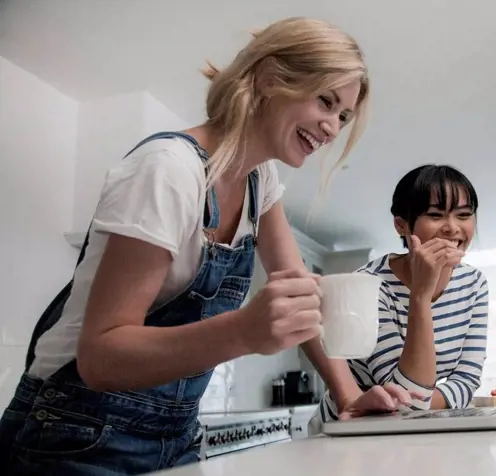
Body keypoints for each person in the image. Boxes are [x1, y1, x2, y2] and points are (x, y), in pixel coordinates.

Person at [0, 17, 413, 475]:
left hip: (175, 435)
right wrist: (242, 332)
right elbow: (99, 358)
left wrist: (349, 397)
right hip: (71, 430)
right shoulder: (168, 170)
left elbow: (300, 299)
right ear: (272, 77)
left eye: (344, 116)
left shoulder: (262, 181)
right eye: (327, 101)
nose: (333, 127)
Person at [311, 164, 489, 431]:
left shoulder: (473, 284)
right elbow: (405, 396)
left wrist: (420, 405)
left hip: (408, 428)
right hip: (346, 431)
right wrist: (421, 295)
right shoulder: (370, 285)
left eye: (464, 215)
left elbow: (466, 380)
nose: (452, 228)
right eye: (435, 215)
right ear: (401, 225)